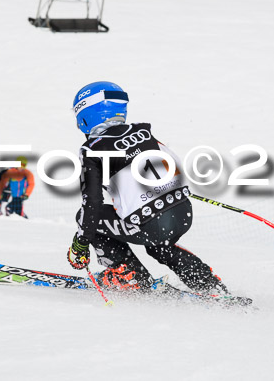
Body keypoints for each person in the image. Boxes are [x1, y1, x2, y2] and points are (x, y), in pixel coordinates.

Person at [66, 81, 227, 295]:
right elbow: (173, 163)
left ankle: (129, 275)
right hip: (183, 213)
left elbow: (92, 204)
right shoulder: (144, 132)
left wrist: (80, 243)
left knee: (87, 219)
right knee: (159, 246)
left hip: (149, 224)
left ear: (86, 115)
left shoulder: (92, 149)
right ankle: (208, 284)